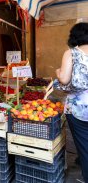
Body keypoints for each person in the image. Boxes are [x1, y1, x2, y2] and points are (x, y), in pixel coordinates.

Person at [56, 22, 88, 182]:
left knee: (84, 144)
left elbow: (64, 78)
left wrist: (57, 72)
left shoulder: (71, 53)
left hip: (80, 108)